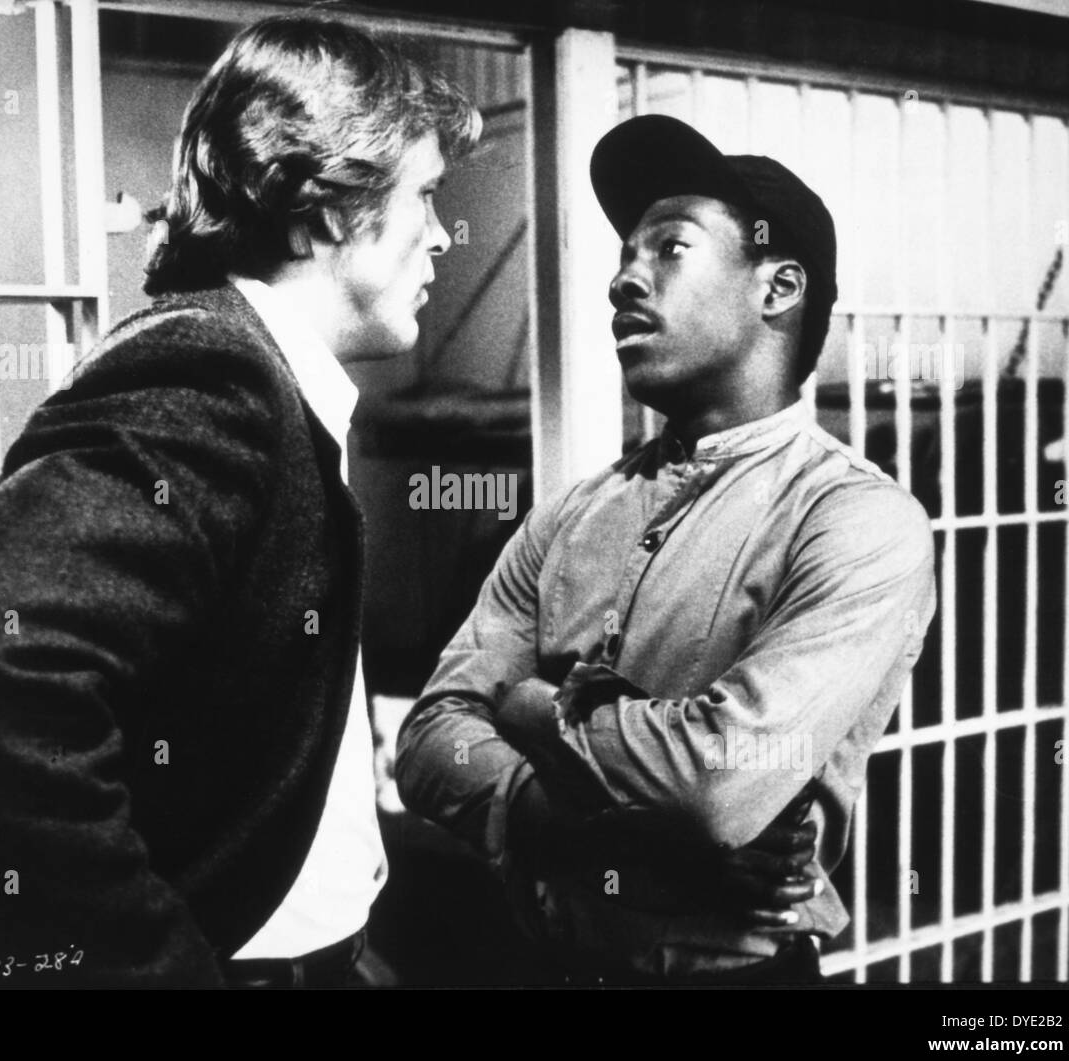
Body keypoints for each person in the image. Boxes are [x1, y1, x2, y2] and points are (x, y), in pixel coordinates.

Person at [0, 15, 479, 988]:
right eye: (425, 195)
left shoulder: (252, 375)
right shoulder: (214, 375)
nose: (444, 236)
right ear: (329, 209)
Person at [395, 114, 937, 985]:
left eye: (669, 249)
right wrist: (602, 838)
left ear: (778, 287)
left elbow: (716, 783)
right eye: (621, 257)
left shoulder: (858, 522)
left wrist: (533, 710)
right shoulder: (569, 513)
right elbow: (429, 741)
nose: (623, 281)